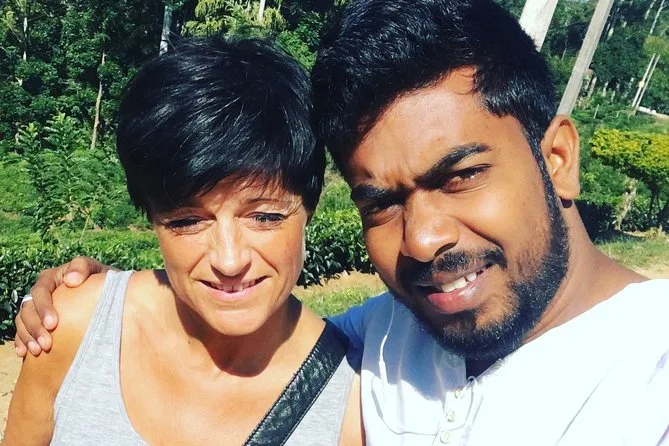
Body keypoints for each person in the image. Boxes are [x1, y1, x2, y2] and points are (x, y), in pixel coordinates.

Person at [14, 0, 669, 444]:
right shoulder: (377, 342)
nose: (422, 239)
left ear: (557, 159)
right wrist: (89, 296)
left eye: (461, 176)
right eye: (380, 203)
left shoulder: (651, 375)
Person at [4, 37, 363, 445]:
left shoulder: (349, 403)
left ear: (309, 209)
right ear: (153, 219)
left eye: (264, 217)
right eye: (187, 221)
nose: (229, 261)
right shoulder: (74, 328)